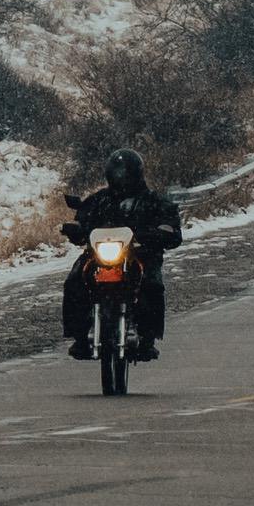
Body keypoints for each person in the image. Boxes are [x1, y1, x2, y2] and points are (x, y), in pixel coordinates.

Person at [60, 147, 183, 361]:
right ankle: (79, 336)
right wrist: (75, 228)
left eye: (125, 173)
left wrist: (162, 232)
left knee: (152, 284)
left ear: (137, 173)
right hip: (99, 256)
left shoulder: (152, 201)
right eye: (117, 173)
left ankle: (148, 338)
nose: (121, 178)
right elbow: (82, 218)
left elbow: (171, 226)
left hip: (140, 255)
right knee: (74, 281)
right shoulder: (100, 200)